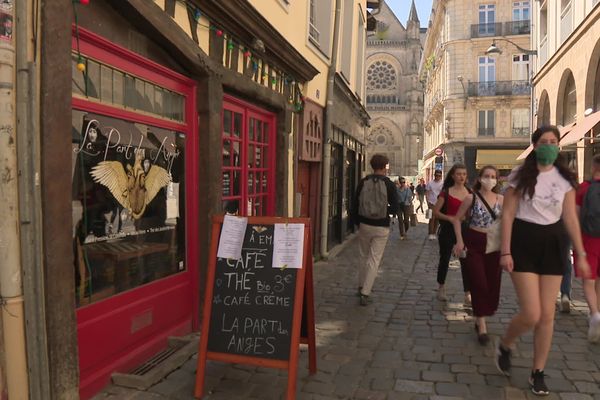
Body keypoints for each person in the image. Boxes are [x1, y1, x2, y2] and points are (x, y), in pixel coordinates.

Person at [495, 126, 590, 396]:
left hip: (554, 243)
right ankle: (506, 343)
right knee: (532, 313)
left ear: (558, 146)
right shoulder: (520, 175)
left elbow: (571, 218)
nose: (549, 145)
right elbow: (509, 215)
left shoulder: (566, 179)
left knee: (547, 315)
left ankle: (538, 371)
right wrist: (505, 251)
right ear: (535, 146)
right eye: (544, 142)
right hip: (523, 242)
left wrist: (580, 254)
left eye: (553, 142)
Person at [452, 165, 503, 345]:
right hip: (474, 243)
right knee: (478, 282)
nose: (490, 179)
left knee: (491, 284)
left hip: (494, 245)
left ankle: (481, 314)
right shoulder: (470, 198)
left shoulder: (501, 199)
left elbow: (507, 223)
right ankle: (481, 325)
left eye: (493, 176)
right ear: (480, 178)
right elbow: (457, 219)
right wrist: (459, 241)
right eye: (487, 176)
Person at [352, 154, 399, 306]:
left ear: (372, 166)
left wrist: (356, 222)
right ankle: (366, 292)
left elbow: (355, 202)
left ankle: (360, 286)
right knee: (374, 259)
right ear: (385, 166)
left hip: (364, 223)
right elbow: (395, 206)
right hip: (381, 225)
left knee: (362, 255)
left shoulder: (363, 181)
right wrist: (387, 211)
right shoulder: (389, 184)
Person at [433, 164, 471, 303]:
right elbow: (435, 212)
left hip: (465, 230)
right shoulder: (446, 192)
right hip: (448, 230)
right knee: (445, 259)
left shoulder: (469, 192)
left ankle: (467, 292)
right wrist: (449, 217)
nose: (462, 176)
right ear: (453, 176)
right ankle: (441, 287)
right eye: (459, 174)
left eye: (464, 174)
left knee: (466, 261)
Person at [574, 153, 600, 342]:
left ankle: (594, 314)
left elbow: (574, 216)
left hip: (587, 239)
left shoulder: (583, 188)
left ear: (594, 167)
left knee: (588, 282)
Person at [426, 170, 444, 240]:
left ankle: (434, 233)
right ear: (434, 175)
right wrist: (427, 201)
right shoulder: (430, 183)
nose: (438, 177)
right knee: (431, 218)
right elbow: (427, 192)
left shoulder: (443, 183)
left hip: (439, 203)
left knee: (437, 219)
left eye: (439, 176)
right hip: (431, 202)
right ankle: (430, 233)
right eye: (436, 175)